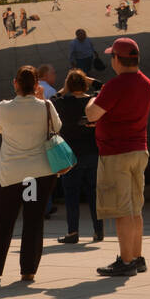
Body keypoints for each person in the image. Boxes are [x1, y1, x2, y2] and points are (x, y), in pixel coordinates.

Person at [0, 66, 62, 283]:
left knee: (4, 221)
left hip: (12, 174)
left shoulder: (4, 107)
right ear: (37, 85)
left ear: (16, 83)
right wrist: (40, 100)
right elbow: (56, 127)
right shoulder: (46, 107)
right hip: (39, 174)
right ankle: (28, 270)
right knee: (33, 221)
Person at [88, 38, 150, 276]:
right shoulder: (147, 83)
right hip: (139, 150)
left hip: (117, 153)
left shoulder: (114, 86)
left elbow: (92, 114)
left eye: (111, 57)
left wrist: (92, 99)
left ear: (117, 58)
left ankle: (125, 262)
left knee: (122, 209)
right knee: (135, 208)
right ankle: (137, 257)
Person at [53, 70, 104, 243]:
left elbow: (51, 100)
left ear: (69, 86)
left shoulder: (62, 103)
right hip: (92, 153)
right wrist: (91, 81)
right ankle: (98, 231)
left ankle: (73, 232)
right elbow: (105, 88)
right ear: (84, 84)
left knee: (71, 195)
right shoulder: (93, 100)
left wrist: (64, 89)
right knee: (94, 194)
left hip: (70, 156)